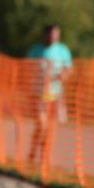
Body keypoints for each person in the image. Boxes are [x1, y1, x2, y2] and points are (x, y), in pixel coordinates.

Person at [26, 23, 73, 164]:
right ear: (46, 35)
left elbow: (69, 69)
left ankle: (44, 156)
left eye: (56, 34)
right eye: (51, 34)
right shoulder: (36, 50)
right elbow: (25, 68)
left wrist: (63, 75)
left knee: (50, 127)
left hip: (54, 93)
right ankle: (34, 150)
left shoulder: (63, 50)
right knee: (41, 124)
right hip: (38, 92)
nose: (53, 37)